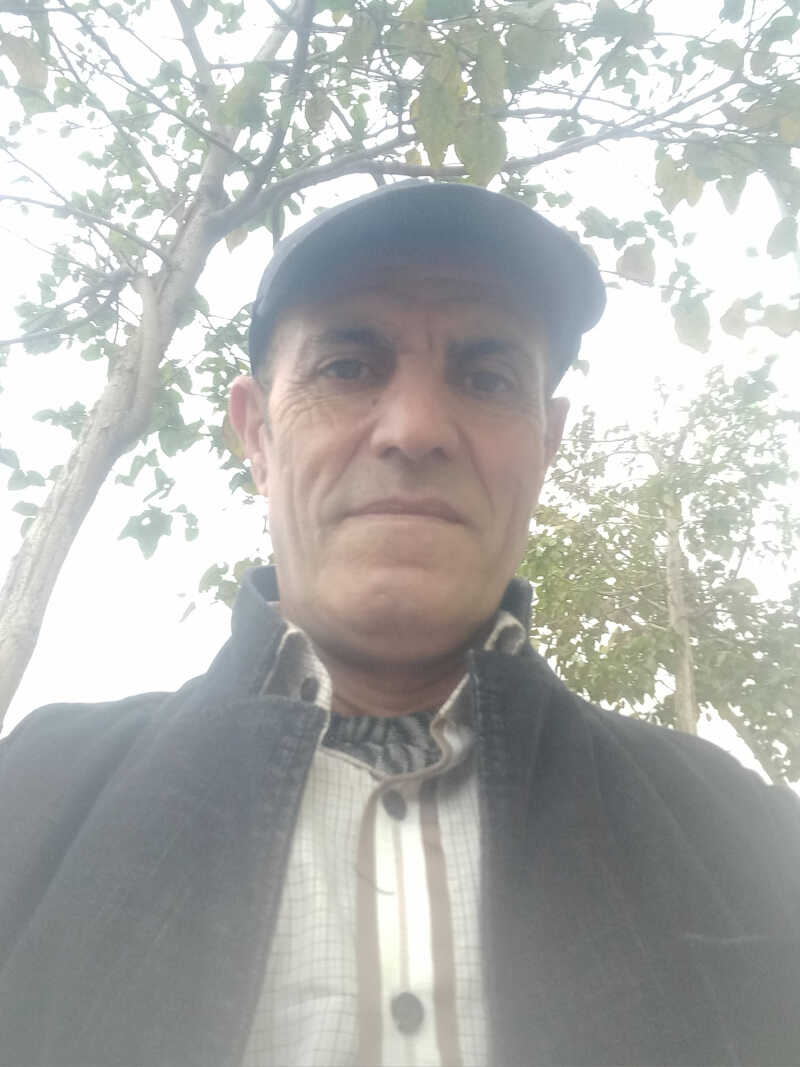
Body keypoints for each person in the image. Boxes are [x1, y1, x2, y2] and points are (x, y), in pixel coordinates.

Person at [0, 181, 798, 1067]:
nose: (415, 429)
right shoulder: (30, 794)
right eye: (348, 367)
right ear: (258, 436)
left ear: (546, 445)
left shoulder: (752, 838)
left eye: (487, 378)